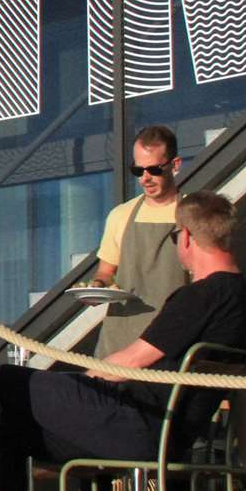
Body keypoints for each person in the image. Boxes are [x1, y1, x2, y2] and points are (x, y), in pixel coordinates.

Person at [0, 190, 246, 491]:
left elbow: (131, 362)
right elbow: (239, 384)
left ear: (186, 237)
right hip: (161, 434)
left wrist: (78, 385)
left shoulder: (200, 296)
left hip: (138, 425)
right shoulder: (242, 298)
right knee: (0, 427)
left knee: (0, 379)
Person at [89, 124, 191, 357]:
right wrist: (97, 287)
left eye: (154, 169)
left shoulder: (192, 213)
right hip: (120, 338)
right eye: (138, 170)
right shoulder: (120, 215)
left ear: (175, 165)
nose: (145, 178)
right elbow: (106, 271)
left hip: (170, 340)